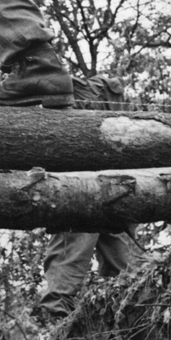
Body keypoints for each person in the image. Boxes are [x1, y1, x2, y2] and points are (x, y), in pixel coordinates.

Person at [35, 74, 147, 322]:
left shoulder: (112, 127)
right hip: (84, 188)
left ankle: (133, 318)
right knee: (77, 251)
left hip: (109, 186)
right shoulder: (71, 121)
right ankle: (60, 328)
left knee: (130, 278)